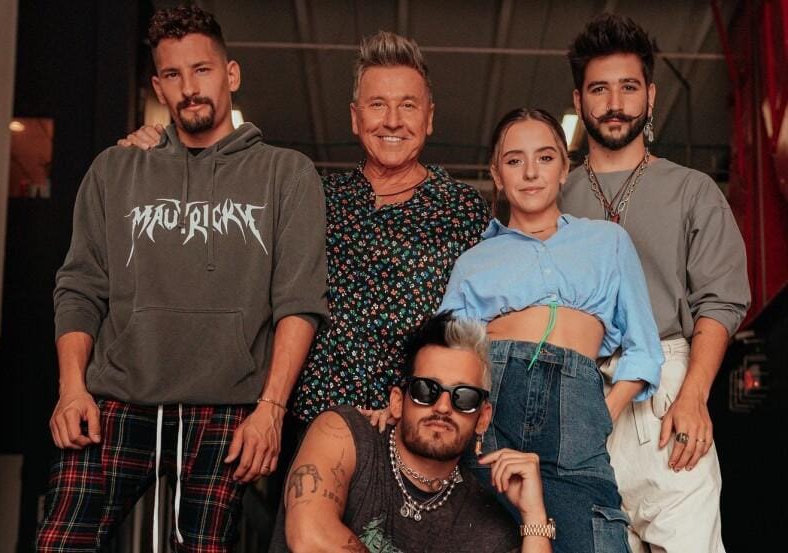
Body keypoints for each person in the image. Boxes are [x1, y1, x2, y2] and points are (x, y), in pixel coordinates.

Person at [120, 31, 490, 469]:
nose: (392, 121)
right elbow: (213, 222)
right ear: (355, 118)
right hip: (305, 431)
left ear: (429, 118)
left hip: (412, 435)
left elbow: (476, 330)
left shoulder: (463, 208)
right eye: (377, 105)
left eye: (408, 105)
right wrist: (161, 150)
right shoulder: (309, 193)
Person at [36, 6, 328, 552]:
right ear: (158, 86)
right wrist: (70, 389)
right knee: (60, 544)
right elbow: (79, 288)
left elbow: (299, 301)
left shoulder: (286, 174)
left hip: (226, 411)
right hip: (115, 402)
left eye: (202, 70)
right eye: (173, 74)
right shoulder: (115, 170)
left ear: (231, 74)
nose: (189, 88)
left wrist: (271, 411)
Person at [560, 14, 750, 553]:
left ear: (651, 96)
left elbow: (721, 300)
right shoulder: (555, 195)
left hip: (667, 391)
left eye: (628, 87)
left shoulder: (692, 190)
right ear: (579, 100)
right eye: (599, 89)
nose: (614, 103)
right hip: (581, 394)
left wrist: (694, 395)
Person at [439, 107, 663, 553]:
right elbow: (448, 360)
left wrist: (602, 413)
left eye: (544, 157)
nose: (530, 173)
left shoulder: (608, 242)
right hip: (494, 410)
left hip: (578, 414)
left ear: (564, 168)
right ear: (497, 175)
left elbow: (644, 349)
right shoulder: (472, 262)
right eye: (514, 160)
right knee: (486, 533)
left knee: (595, 534)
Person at [268, 312, 554, 553]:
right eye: (425, 390)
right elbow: (309, 537)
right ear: (397, 401)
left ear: (483, 418)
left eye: (464, 397)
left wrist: (534, 518)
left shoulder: (487, 526)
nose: (443, 407)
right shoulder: (343, 433)